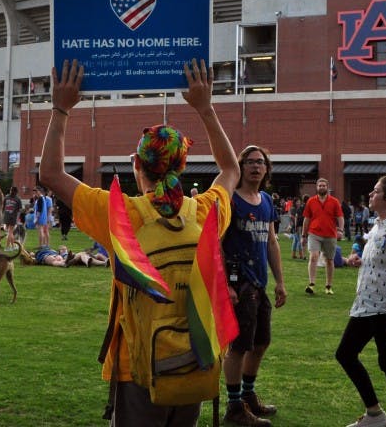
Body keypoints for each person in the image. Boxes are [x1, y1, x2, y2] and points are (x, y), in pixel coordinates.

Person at [38, 58, 239, 427]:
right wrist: (205, 108)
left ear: (136, 164)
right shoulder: (203, 213)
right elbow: (231, 170)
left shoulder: (120, 215)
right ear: (182, 167)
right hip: (195, 362)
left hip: (138, 369)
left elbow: (50, 173)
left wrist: (61, 107)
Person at [336, 176, 386, 427]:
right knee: (346, 355)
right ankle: (374, 414)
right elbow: (380, 263)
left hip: (385, 309)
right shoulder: (378, 227)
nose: (370, 195)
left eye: (376, 191)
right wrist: (358, 260)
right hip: (366, 305)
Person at [221, 145, 286, 426]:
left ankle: (248, 396)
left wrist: (280, 281)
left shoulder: (267, 201)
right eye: (250, 162)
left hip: (260, 282)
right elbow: (217, 243)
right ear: (241, 166)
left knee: (261, 342)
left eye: (261, 162)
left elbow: (271, 242)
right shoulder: (231, 199)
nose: (256, 167)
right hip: (240, 283)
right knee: (238, 346)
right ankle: (234, 406)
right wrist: (229, 284)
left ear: (267, 168)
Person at [302, 177, 344, 295]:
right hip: (314, 233)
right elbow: (307, 219)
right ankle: (311, 284)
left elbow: (340, 217)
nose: (321, 187)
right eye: (319, 186)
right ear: (317, 187)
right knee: (313, 256)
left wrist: (340, 230)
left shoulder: (334, 201)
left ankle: (328, 286)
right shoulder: (311, 201)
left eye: (323, 186)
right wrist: (303, 235)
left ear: (327, 187)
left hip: (330, 234)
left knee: (329, 260)